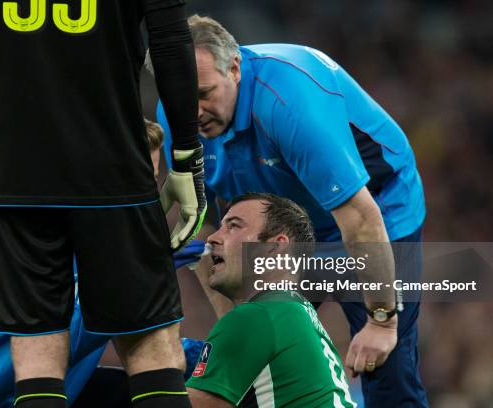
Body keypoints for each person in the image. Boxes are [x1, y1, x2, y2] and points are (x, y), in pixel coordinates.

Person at [0, 1, 207, 406]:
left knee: (37, 361)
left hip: (13, 182)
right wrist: (187, 157)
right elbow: (172, 39)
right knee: (155, 357)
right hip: (113, 176)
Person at [155, 15, 427, 407]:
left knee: (386, 366)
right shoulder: (177, 115)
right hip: (285, 225)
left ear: (234, 69)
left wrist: (382, 320)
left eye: (203, 94)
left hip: (377, 213)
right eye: (179, 98)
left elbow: (359, 216)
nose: (191, 112)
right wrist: (237, 327)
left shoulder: (291, 102)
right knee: (251, 359)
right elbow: (209, 231)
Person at [187, 192, 356, 407]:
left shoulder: (258, 315)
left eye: (234, 226)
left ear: (276, 247)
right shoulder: (293, 314)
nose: (212, 238)